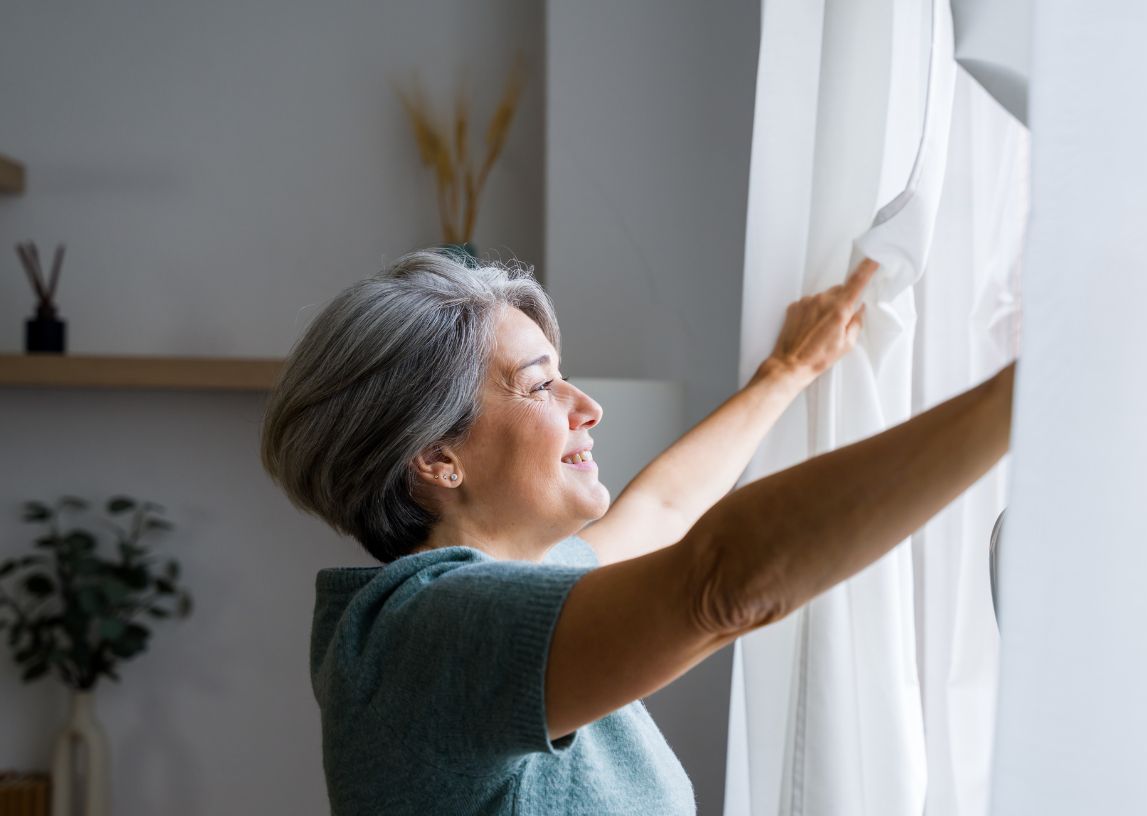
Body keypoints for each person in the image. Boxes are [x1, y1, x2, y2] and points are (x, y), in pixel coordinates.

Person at [260, 248, 1014, 815]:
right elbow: (722, 582)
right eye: (540, 384)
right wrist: (1015, 399)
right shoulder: (425, 635)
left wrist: (789, 369)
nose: (585, 405)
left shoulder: (511, 591)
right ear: (437, 457)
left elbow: (662, 513)